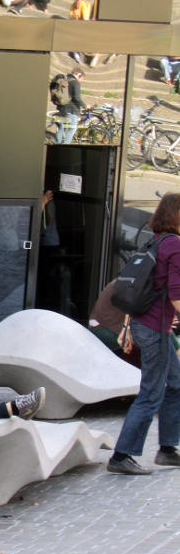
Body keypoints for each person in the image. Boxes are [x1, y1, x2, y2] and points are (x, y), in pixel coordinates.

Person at [107, 193, 180, 475]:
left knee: (175, 383)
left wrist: (128, 327)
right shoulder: (174, 245)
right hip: (154, 328)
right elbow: (176, 293)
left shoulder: (156, 240)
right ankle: (121, 456)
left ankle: (167, 450)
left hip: (144, 324)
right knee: (151, 393)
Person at [50, 69, 86, 145]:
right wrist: (85, 106)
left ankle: (57, 142)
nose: (81, 81)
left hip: (62, 107)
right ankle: (66, 143)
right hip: (72, 109)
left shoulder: (65, 79)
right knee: (72, 128)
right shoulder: (75, 83)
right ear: (79, 76)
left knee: (62, 127)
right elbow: (77, 98)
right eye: (82, 79)